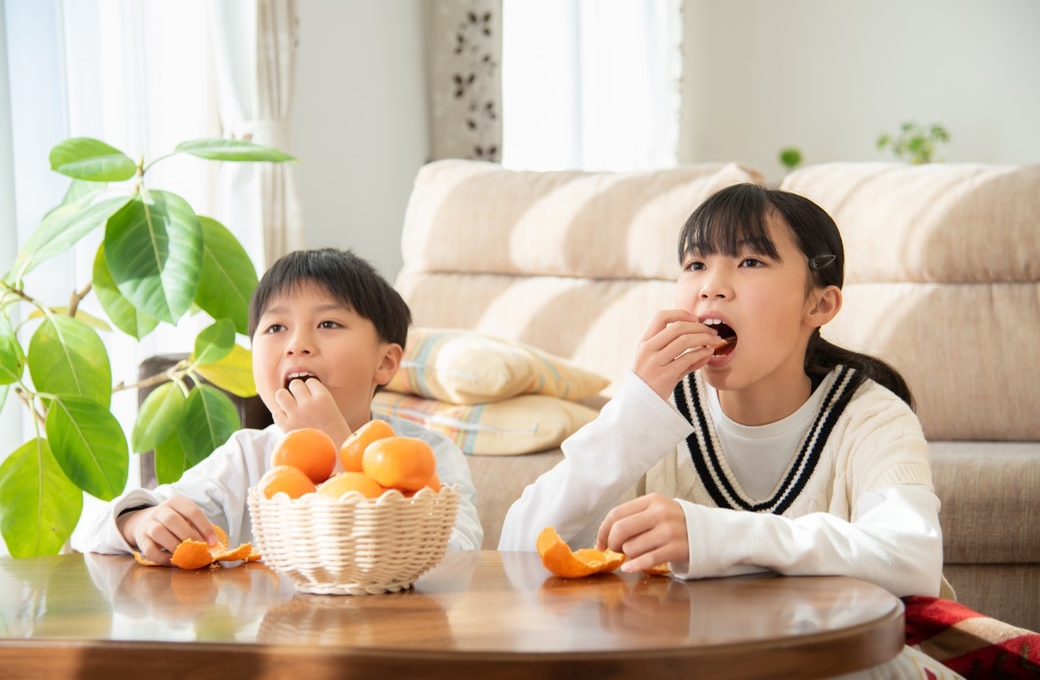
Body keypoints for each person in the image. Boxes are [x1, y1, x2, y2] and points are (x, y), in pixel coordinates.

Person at [498, 183, 960, 678]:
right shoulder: (653, 417)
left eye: (750, 262)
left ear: (820, 306)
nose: (710, 286)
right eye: (696, 264)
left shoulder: (871, 416)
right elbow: (520, 549)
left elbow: (912, 561)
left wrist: (712, 535)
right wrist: (631, 413)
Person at [78, 248, 483, 564]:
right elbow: (95, 531)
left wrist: (340, 450)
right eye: (275, 328)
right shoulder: (248, 458)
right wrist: (140, 522)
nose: (297, 344)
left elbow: (459, 554)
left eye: (328, 324)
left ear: (385, 362)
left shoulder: (426, 456)